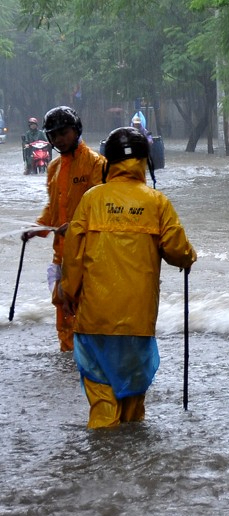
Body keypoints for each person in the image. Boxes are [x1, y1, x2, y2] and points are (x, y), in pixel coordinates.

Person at [60, 127, 196, 429]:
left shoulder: (92, 200)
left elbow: (73, 258)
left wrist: (66, 294)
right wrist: (189, 257)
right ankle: (131, 455)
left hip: (94, 319)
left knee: (101, 393)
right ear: (144, 160)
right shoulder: (156, 202)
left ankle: (105, 455)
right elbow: (177, 250)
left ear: (108, 161)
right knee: (133, 400)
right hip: (138, 321)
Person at [21, 106, 105, 352]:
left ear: (76, 130)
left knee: (89, 312)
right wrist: (36, 229)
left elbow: (102, 208)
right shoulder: (53, 169)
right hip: (61, 254)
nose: (59, 139)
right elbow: (52, 211)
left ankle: (90, 362)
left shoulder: (96, 163)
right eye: (54, 135)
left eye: (64, 132)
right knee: (63, 312)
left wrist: (78, 226)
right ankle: (69, 358)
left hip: (89, 254)